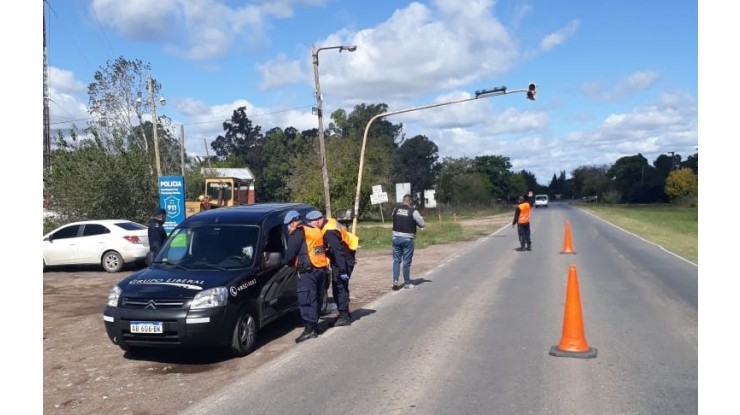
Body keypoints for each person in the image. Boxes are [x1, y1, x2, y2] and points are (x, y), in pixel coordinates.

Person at [281, 210, 329, 343]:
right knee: (317, 298)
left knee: (306, 298)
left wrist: (285, 262)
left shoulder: (298, 231)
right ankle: (315, 325)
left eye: (289, 224)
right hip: (320, 269)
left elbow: (291, 254)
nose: (289, 227)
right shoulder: (314, 229)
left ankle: (310, 329)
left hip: (308, 271)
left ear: (293, 222)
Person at [309, 210, 358, 327]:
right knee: (341, 287)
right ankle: (344, 313)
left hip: (343, 260)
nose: (312, 225)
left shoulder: (329, 231)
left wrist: (342, 270)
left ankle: (344, 316)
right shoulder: (329, 222)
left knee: (339, 287)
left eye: (313, 222)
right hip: (346, 257)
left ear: (319, 220)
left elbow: (338, 251)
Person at [391, 194, 425, 290]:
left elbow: (393, 218)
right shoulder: (413, 211)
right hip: (407, 239)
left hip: (396, 238)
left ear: (403, 200)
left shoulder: (395, 209)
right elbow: (422, 224)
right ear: (410, 201)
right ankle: (407, 283)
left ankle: (395, 281)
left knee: (396, 260)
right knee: (406, 262)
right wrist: (417, 224)